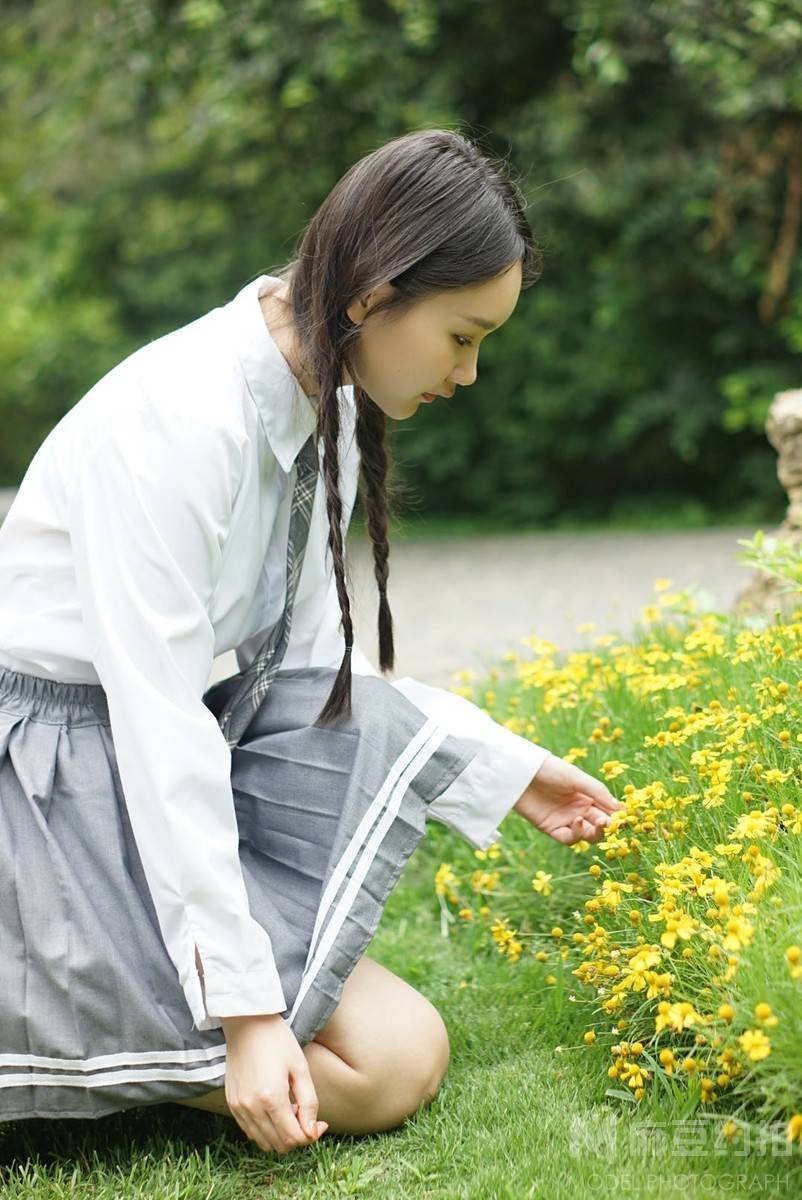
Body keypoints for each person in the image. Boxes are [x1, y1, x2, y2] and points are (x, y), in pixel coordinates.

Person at [0, 127, 621, 1156]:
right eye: (463, 336)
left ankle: (126, 1039)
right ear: (373, 296)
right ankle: (81, 1033)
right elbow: (162, 733)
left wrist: (503, 771)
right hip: (44, 799)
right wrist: (245, 1018)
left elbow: (309, 676)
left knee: (395, 1053)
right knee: (365, 1069)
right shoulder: (177, 424)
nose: (468, 374)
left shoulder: (317, 406)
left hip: (123, 778)